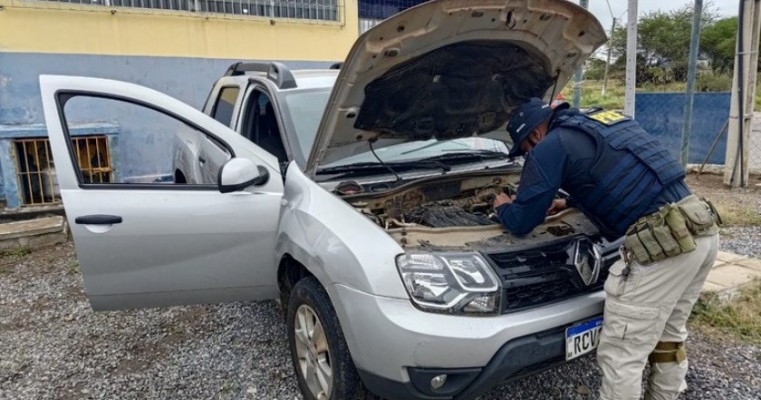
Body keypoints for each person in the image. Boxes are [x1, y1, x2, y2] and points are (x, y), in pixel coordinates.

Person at [493, 97, 721, 400]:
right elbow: (624, 172)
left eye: (525, 150)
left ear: (533, 135)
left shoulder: (550, 145)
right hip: (701, 230)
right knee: (669, 337)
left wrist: (503, 207)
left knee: (622, 356)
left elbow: (522, 221)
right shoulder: (603, 120)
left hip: (664, 248)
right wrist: (570, 202)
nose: (528, 154)